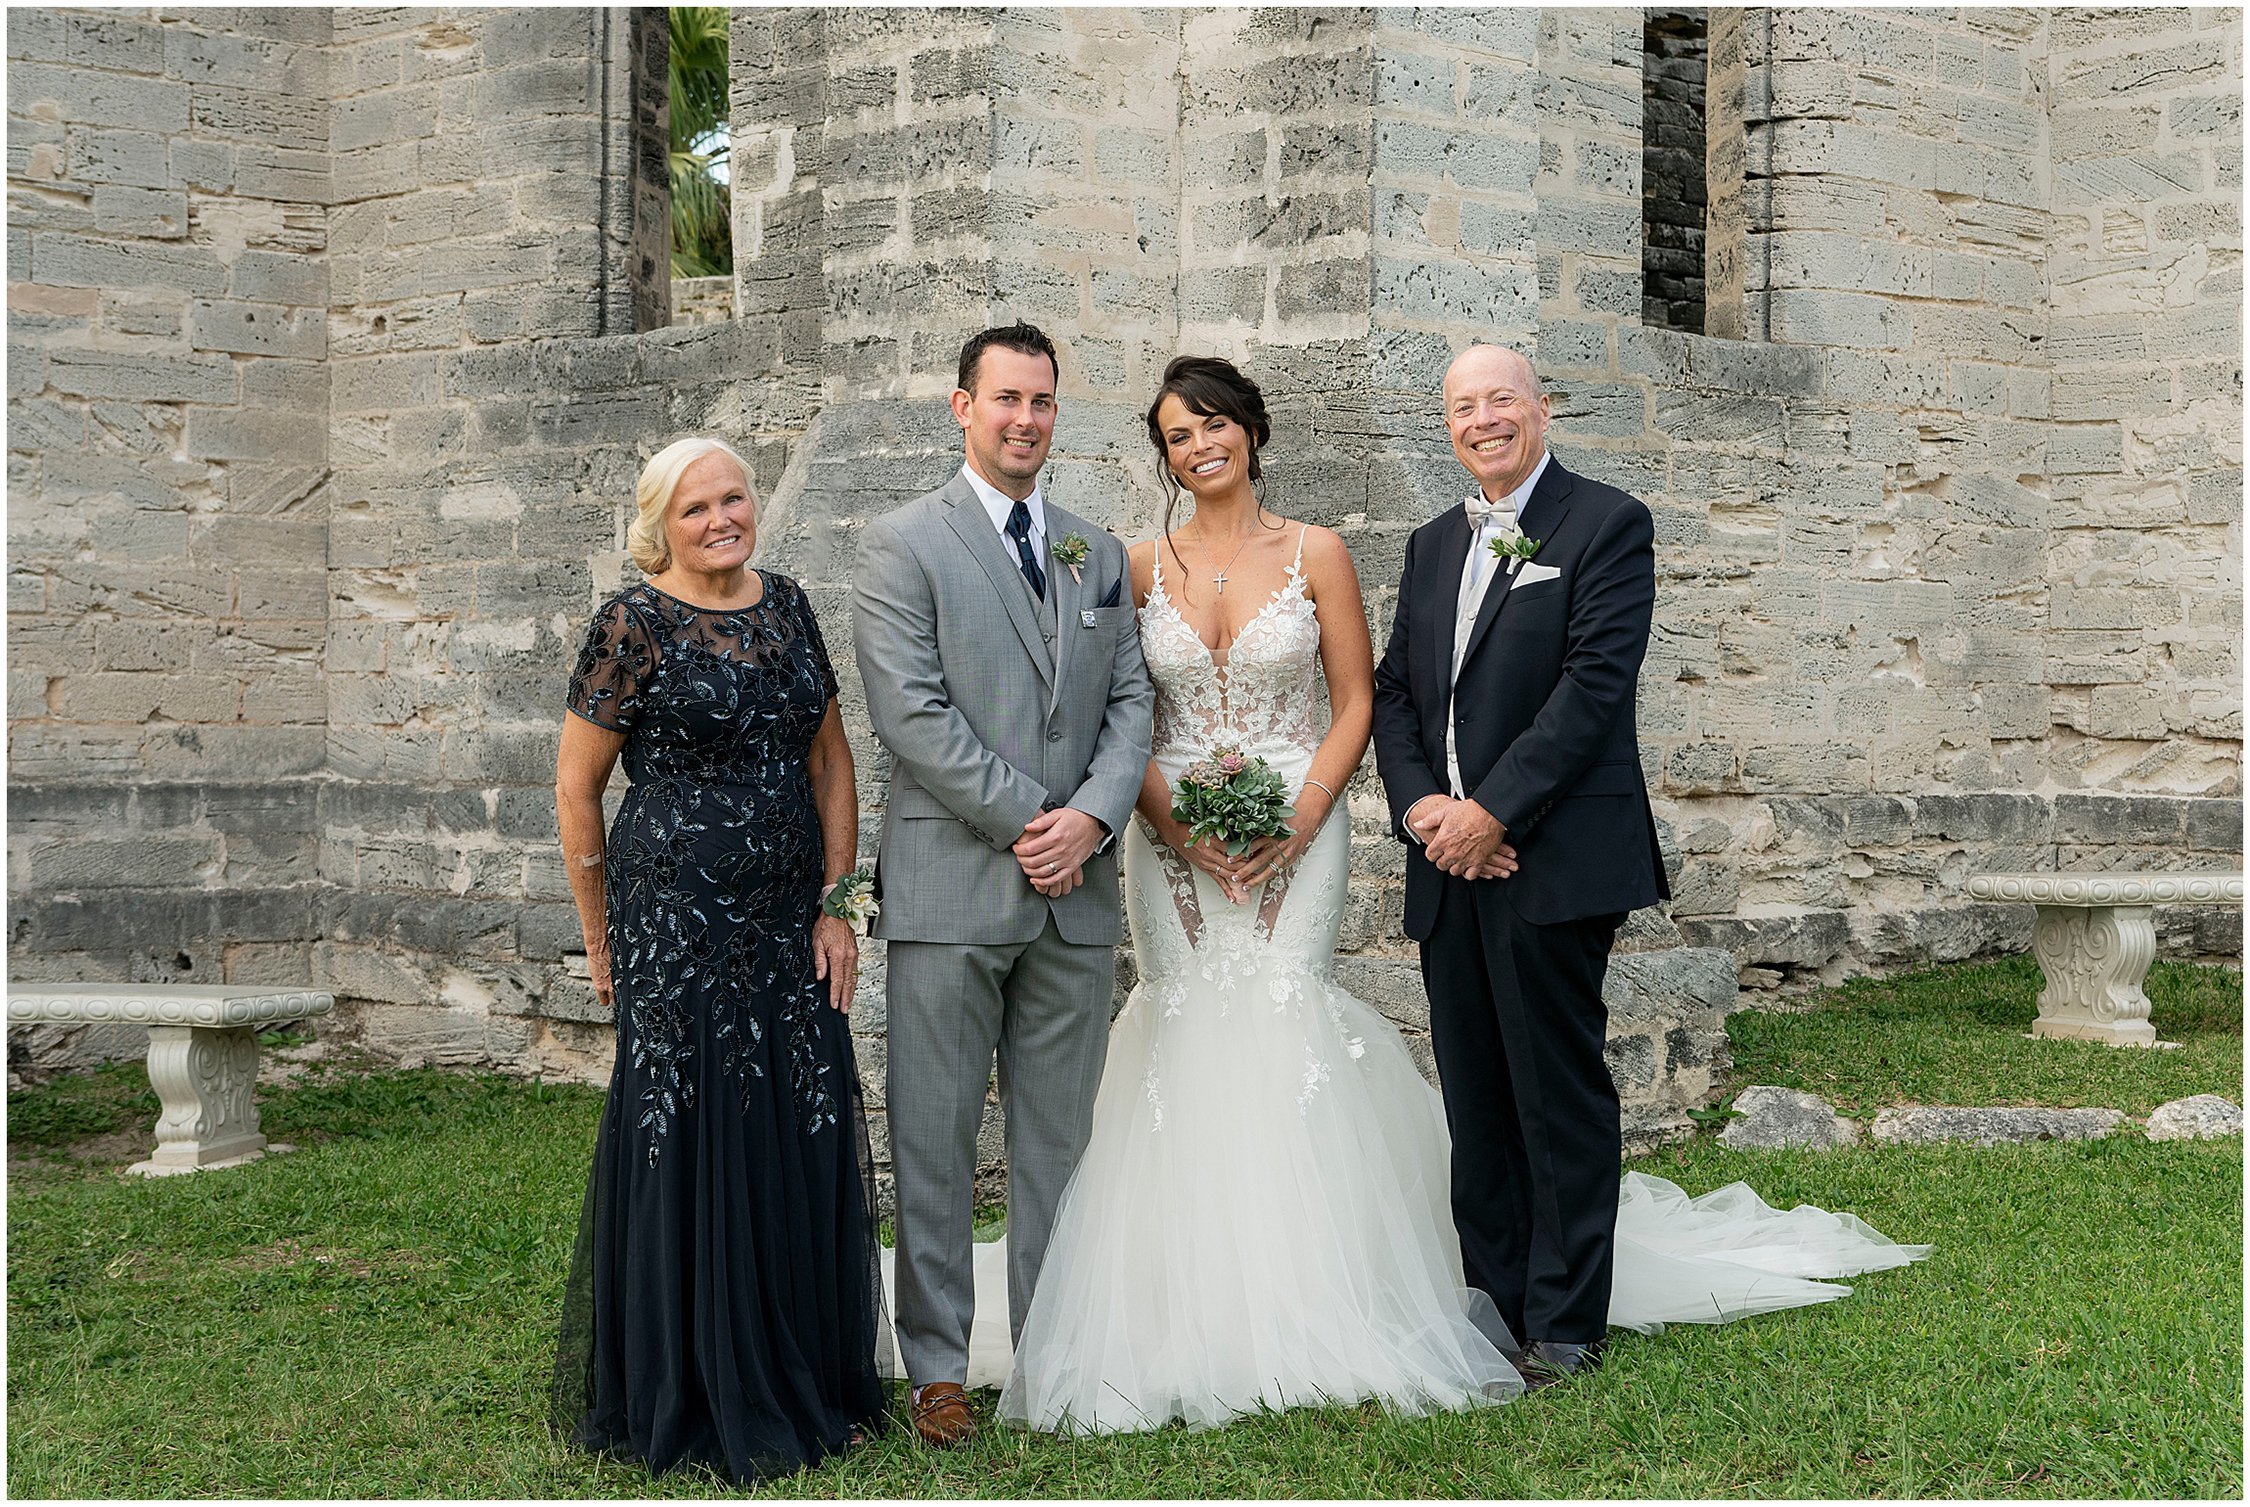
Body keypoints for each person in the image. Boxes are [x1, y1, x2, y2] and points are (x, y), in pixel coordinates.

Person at [987, 354, 1928, 1435]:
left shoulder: (1599, 524)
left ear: (1540, 408)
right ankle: (1484, 1299)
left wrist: (1458, 814)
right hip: (1314, 850)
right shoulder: (1430, 542)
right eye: (1463, 409)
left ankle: (1563, 1317)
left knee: (1549, 1083)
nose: (1482, 422)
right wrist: (1426, 810)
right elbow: (1394, 694)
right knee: (1475, 1089)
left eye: (1499, 403)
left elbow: (1587, 690)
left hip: (1511, 849)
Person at [550, 436, 884, 1482]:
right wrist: (603, 940)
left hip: (791, 928)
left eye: (734, 498)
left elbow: (831, 761)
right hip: (673, 931)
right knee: (685, 1130)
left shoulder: (787, 605)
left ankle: (805, 1371)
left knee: (798, 1117)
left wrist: (840, 905)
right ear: (662, 521)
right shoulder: (630, 624)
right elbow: (576, 791)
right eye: (696, 508)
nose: (722, 519)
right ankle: (682, 1385)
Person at [851, 323, 1156, 1448]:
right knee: (930, 1141)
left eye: (1042, 401)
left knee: (1057, 1143)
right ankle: (934, 1365)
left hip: (1073, 898)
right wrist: (1036, 821)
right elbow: (910, 714)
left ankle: (1054, 1350)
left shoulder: (1096, 550)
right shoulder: (900, 545)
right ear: (960, 407)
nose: (1025, 418)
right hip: (949, 886)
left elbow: (1132, 706)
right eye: (1006, 399)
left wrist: (1088, 821)